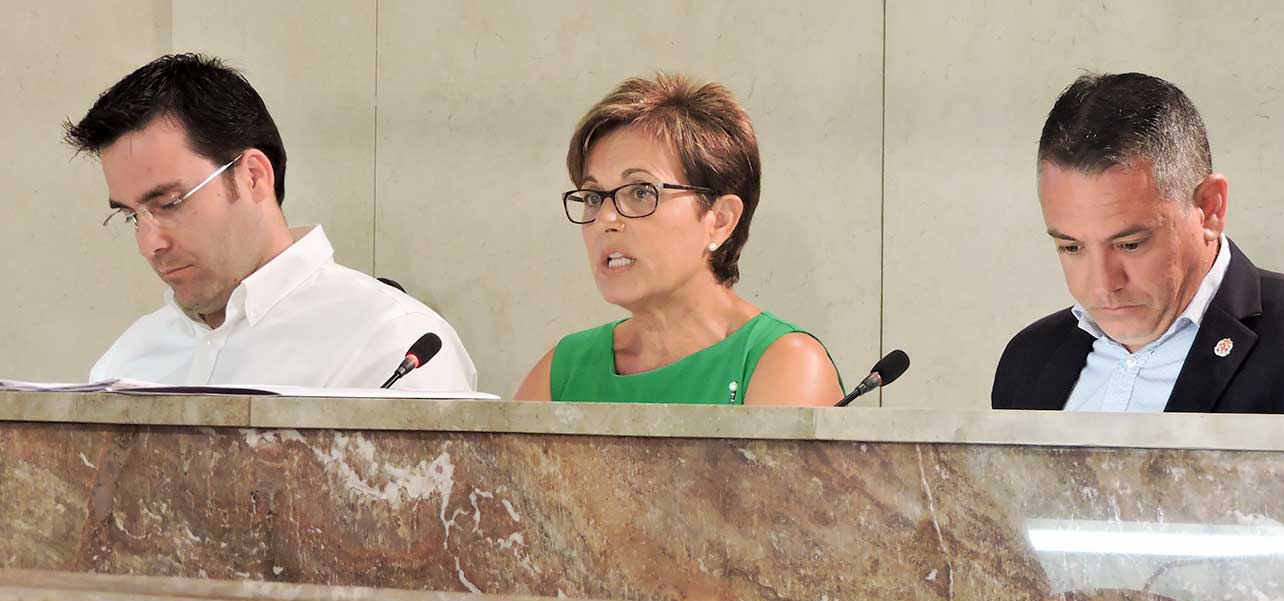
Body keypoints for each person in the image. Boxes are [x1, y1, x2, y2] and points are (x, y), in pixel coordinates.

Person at [66, 54, 476, 390]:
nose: (148, 244)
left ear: (253, 176)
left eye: (171, 202)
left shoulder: (391, 344)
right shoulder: (124, 364)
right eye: (131, 216)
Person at [515, 74, 843, 405]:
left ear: (720, 220)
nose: (605, 219)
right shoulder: (564, 372)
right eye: (594, 196)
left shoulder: (783, 364)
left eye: (641, 192)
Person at [992, 72, 1284, 412]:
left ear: (1209, 208)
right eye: (1071, 247)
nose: (1103, 285)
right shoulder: (1027, 361)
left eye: (1129, 244)